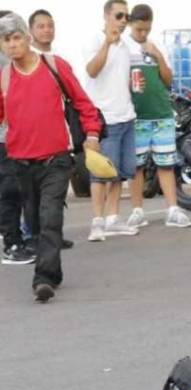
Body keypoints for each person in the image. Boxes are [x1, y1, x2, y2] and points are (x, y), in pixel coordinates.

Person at [0, 13, 102, 302]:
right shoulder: (4, 77)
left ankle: (43, 277)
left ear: (27, 38)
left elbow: (83, 103)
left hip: (55, 160)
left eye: (16, 37)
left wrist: (92, 134)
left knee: (50, 218)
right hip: (20, 162)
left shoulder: (55, 67)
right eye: (5, 40)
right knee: (34, 223)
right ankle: (50, 270)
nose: (12, 45)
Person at [125, 3, 190, 229]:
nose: (143, 34)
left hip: (161, 113)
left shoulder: (157, 44)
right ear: (131, 24)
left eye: (147, 29)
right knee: (136, 166)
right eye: (139, 29)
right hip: (136, 116)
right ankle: (137, 210)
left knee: (166, 163)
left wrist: (157, 55)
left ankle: (173, 209)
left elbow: (168, 79)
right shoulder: (123, 46)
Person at [84, 0, 138, 242]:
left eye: (126, 16)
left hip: (126, 115)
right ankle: (97, 222)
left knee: (120, 173)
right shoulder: (95, 40)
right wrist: (107, 42)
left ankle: (112, 219)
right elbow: (92, 70)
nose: (123, 20)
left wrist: (133, 86)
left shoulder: (126, 46)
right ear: (106, 15)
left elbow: (118, 79)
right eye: (119, 15)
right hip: (105, 118)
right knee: (100, 173)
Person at [0, 8, 33, 266]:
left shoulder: (18, 60)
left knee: (15, 189)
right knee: (10, 190)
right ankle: (11, 243)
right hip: (5, 138)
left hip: (19, 137)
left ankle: (19, 238)